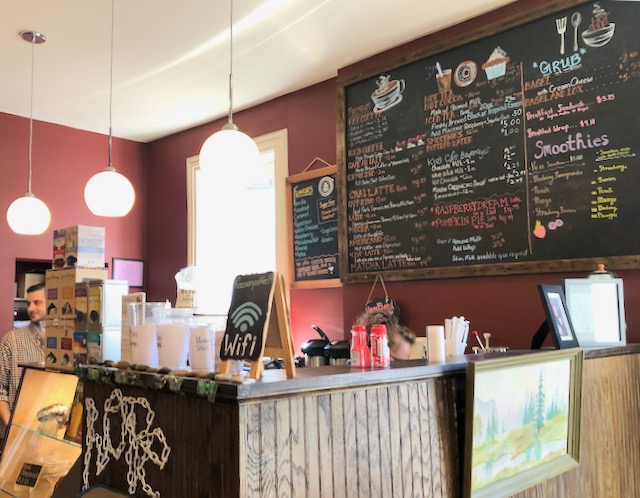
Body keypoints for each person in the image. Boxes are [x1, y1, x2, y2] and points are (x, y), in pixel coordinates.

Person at [0, 282, 46, 439]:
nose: (31, 308)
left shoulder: (66, 344)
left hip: (50, 436)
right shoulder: (11, 341)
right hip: (13, 435)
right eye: (28, 303)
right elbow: (0, 390)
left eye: (37, 303)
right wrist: (11, 427)